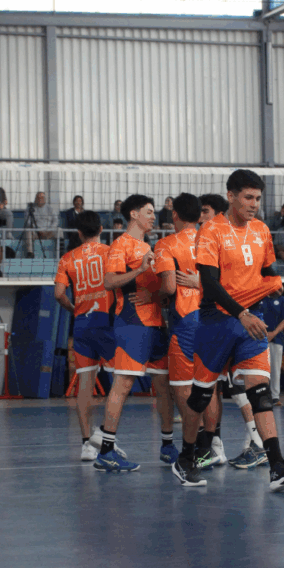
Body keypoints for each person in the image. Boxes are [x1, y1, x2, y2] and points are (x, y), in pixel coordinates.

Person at [174, 169, 284, 491]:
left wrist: (274, 282)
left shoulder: (262, 230)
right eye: (248, 198)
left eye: (258, 199)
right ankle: (185, 458)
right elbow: (209, 283)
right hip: (216, 322)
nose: (254, 204)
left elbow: (265, 268)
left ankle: (277, 465)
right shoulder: (211, 231)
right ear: (232, 196)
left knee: (259, 391)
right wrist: (239, 315)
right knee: (200, 397)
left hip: (249, 320)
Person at [95, 194, 174, 472]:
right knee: (123, 384)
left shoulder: (148, 246)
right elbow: (108, 281)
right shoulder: (121, 245)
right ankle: (106, 451)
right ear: (134, 214)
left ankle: (168, 446)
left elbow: (155, 288)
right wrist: (139, 269)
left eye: (154, 212)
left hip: (155, 325)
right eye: (149, 212)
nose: (154, 216)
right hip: (131, 324)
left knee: (164, 386)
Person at [197, 192, 265, 470]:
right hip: (216, 322)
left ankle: (258, 444)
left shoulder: (233, 237)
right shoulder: (209, 239)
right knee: (224, 387)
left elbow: (221, 282)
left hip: (237, 320)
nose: (201, 217)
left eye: (205, 212)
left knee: (240, 386)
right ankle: (217, 446)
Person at [54, 210, 116, 460]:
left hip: (82, 324)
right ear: (101, 229)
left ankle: (86, 444)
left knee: (85, 386)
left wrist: (74, 309)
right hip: (107, 321)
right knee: (121, 381)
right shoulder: (111, 252)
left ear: (78, 233)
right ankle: (107, 436)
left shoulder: (67, 258)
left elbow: (59, 294)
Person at [154, 192, 202, 426]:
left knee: (182, 387)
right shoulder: (213, 240)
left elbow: (170, 287)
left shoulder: (166, 244)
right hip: (213, 319)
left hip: (185, 322)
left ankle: (195, 442)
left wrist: (153, 295)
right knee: (208, 386)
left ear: (174, 214)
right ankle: (212, 445)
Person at [258, 289, 284, 405]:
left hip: (276, 338)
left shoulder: (282, 300)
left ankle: (275, 396)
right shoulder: (260, 297)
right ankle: (262, 395)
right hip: (260, 337)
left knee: (275, 368)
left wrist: (274, 333)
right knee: (261, 368)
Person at [24, 191, 56, 256]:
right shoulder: (30, 208)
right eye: (38, 198)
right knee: (28, 230)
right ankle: (30, 253)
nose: (40, 199)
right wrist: (37, 230)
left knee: (59, 230)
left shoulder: (50, 208)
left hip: (48, 232)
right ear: (35, 199)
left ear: (45, 199)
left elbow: (55, 220)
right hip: (36, 232)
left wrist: (49, 230)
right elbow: (28, 221)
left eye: (42, 197)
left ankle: (61, 252)